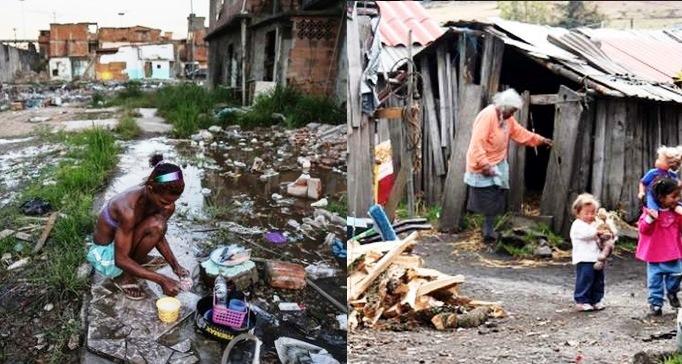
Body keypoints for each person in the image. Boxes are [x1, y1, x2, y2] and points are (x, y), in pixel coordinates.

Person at [86, 154, 189, 300]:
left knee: (158, 226)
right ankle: (124, 277)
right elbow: (120, 259)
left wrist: (175, 266)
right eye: (164, 201)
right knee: (156, 225)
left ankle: (136, 261)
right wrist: (162, 280)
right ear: (150, 188)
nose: (169, 206)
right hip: (107, 254)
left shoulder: (163, 203)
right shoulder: (127, 209)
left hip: (124, 239)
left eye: (173, 201)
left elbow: (158, 234)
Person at [464, 89, 552, 242]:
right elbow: (477, 143)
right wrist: (484, 164)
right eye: (512, 110)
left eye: (515, 111)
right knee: (488, 196)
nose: (513, 114)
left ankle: (488, 228)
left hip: (498, 161)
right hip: (483, 162)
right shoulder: (488, 115)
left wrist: (540, 140)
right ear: (504, 106)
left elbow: (520, 133)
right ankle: (487, 230)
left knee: (497, 194)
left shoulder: (507, 119)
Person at [636, 177, 682, 316]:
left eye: (678, 196)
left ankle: (672, 292)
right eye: (673, 196)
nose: (677, 199)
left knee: (677, 275)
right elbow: (643, 229)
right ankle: (656, 304)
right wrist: (650, 218)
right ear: (661, 198)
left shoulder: (675, 213)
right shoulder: (650, 212)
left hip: (673, 253)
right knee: (654, 281)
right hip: (654, 254)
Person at [570, 193, 606, 312]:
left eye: (593, 212)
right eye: (586, 213)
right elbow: (587, 234)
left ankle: (596, 299)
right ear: (578, 213)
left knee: (598, 280)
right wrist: (598, 231)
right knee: (585, 279)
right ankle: (582, 300)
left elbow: (600, 234)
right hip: (584, 258)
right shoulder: (577, 225)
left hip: (597, 258)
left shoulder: (595, 224)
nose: (590, 215)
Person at [638, 145, 682, 219]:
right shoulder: (653, 173)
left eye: (659, 159)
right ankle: (651, 217)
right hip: (653, 196)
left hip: (666, 199)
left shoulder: (672, 175)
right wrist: (641, 192)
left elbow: (677, 185)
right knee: (653, 211)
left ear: (669, 163)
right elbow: (643, 182)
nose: (656, 161)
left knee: (676, 205)